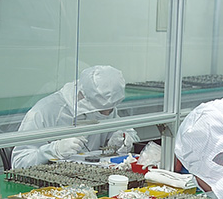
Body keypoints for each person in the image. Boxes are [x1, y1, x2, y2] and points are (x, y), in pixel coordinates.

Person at [10, 65, 138, 168]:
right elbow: (19, 162)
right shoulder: (46, 111)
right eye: (100, 111)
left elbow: (131, 135)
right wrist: (53, 150)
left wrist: (123, 140)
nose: (106, 115)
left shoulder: (106, 105)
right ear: (82, 96)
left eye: (110, 110)